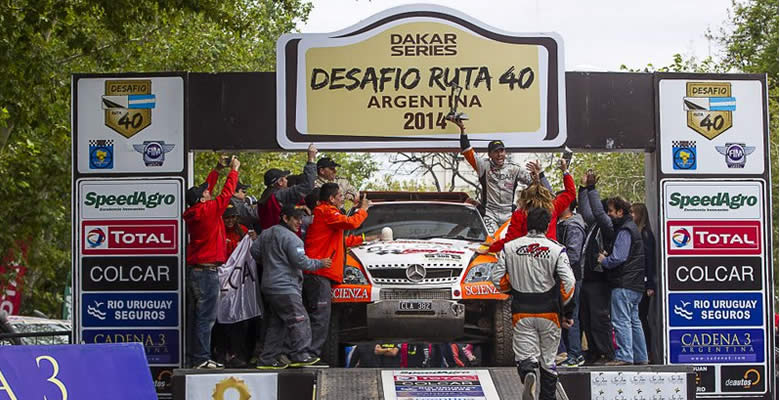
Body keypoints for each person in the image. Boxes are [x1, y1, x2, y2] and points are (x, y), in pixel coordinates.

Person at [490, 207, 575, 400]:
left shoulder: (509, 247)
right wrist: (565, 308)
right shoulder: (556, 249)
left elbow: (496, 277)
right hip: (550, 312)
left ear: (527, 224)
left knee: (525, 355)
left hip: (521, 309)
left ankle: (528, 372)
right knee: (549, 360)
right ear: (547, 225)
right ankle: (547, 397)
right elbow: (569, 282)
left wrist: (510, 289)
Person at [254, 206, 332, 369]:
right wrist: (321, 263)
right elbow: (301, 262)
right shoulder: (292, 238)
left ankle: (267, 359)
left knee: (278, 324)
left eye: (301, 218)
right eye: (296, 218)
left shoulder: (266, 233)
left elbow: (254, 251)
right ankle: (300, 355)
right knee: (300, 320)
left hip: (268, 286)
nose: (300, 222)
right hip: (286, 287)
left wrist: (270, 263)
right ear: (285, 218)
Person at [183, 156, 240, 369]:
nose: (209, 191)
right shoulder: (208, 210)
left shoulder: (197, 210)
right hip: (206, 273)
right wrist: (234, 171)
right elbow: (226, 194)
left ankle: (195, 357)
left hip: (197, 271)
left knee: (197, 317)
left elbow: (209, 187)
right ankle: (201, 359)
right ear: (202, 199)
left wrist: (218, 168)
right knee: (206, 319)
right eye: (206, 192)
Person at [303, 183, 370, 363]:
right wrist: (362, 210)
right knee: (320, 317)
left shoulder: (327, 214)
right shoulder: (326, 212)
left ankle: (309, 354)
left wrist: (365, 239)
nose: (342, 198)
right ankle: (309, 355)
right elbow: (351, 222)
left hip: (321, 273)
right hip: (319, 273)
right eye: (340, 196)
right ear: (332, 198)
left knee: (321, 317)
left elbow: (339, 241)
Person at [447, 118, 534, 233]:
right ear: (490, 154)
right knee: (491, 242)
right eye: (496, 152)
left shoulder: (514, 169)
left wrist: (538, 175)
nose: (499, 155)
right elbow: (467, 151)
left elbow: (534, 183)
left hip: (508, 214)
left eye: (501, 151)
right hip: (490, 214)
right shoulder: (484, 165)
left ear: (505, 152)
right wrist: (463, 129)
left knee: (509, 242)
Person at [484, 159, 575, 253]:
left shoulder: (521, 214)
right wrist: (565, 171)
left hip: (526, 255)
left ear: (525, 197)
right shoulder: (553, 208)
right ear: (546, 194)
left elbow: (510, 240)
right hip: (549, 253)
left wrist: (492, 248)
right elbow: (571, 192)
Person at [597, 196, 647, 366]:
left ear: (620, 212)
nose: (608, 214)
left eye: (611, 211)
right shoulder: (633, 228)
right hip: (636, 283)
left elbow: (619, 257)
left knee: (621, 320)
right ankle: (641, 356)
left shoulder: (624, 230)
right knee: (634, 320)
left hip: (624, 282)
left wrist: (604, 260)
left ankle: (624, 355)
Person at [577, 170, 616, 365]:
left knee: (599, 318)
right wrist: (583, 188)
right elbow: (586, 211)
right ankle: (592, 351)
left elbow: (599, 213)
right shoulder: (593, 225)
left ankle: (605, 352)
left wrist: (592, 188)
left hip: (600, 280)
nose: (605, 213)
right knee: (586, 317)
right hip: (587, 278)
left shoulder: (609, 227)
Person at [257, 143, 317, 230]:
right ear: (280, 182)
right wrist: (311, 159)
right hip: (283, 239)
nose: (287, 180)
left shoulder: (264, 197)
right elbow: (308, 186)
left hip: (268, 238)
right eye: (284, 178)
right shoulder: (280, 195)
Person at [557, 196, 586, 367]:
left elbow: (574, 255)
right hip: (563, 275)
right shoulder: (562, 223)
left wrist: (557, 262)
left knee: (571, 315)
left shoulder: (573, 226)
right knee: (564, 315)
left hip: (572, 276)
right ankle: (568, 352)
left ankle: (575, 354)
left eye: (559, 202)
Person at [631, 203, 657, 364]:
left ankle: (646, 350)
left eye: (633, 213)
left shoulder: (645, 234)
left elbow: (650, 260)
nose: (631, 216)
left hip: (643, 283)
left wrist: (650, 284)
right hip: (637, 282)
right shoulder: (636, 233)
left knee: (641, 317)